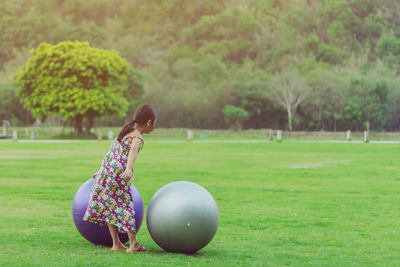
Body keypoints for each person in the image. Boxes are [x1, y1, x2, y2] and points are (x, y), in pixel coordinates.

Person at [83, 104, 156, 253]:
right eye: (154, 124)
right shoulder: (137, 137)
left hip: (108, 172)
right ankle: (133, 244)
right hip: (119, 174)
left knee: (111, 206)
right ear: (149, 123)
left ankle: (116, 244)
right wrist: (129, 168)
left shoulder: (126, 130)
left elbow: (111, 151)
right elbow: (133, 152)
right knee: (126, 207)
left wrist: (101, 170)